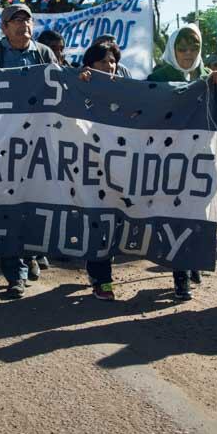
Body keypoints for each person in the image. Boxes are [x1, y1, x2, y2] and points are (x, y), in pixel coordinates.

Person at [0, 3, 58, 297]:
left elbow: (60, 89)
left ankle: (31, 254)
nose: (23, 25)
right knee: (9, 207)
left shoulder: (45, 54)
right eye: (15, 20)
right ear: (4, 27)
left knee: (35, 203)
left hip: (38, 142)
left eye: (27, 20)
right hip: (3, 144)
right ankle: (15, 275)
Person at [148, 24, 217, 299]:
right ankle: (181, 277)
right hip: (171, 159)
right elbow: (144, 112)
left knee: (200, 214)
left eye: (194, 47)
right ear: (173, 48)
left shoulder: (210, 77)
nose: (188, 53)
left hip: (203, 158)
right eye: (182, 48)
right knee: (176, 215)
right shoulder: (159, 76)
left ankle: (192, 259)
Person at [76, 41, 125, 300]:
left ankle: (98, 270)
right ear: (91, 64)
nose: (110, 66)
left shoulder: (127, 91)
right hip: (89, 165)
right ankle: (101, 278)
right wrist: (79, 86)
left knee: (114, 221)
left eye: (113, 61)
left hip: (117, 166)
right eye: (104, 61)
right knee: (97, 221)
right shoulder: (78, 87)